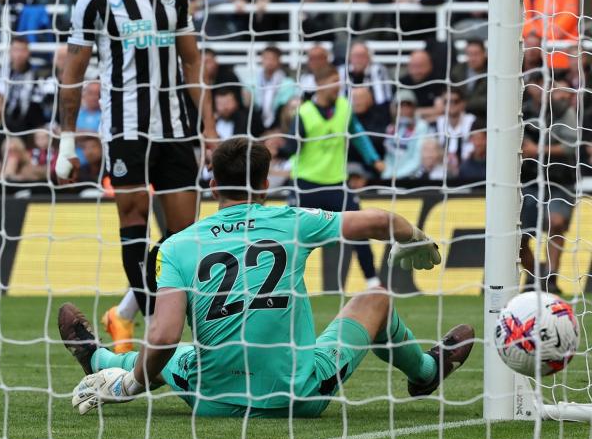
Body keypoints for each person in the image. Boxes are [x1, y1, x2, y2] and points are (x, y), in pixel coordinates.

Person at [59, 137, 474, 417]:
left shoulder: (177, 245)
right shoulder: (293, 220)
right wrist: (417, 238)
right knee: (376, 300)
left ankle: (98, 358)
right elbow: (381, 220)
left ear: (212, 183)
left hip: (211, 397)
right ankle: (424, 371)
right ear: (265, 183)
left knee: (177, 353)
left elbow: (164, 335)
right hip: (297, 395)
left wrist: (133, 386)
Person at [56, 0, 217, 353]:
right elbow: (72, 73)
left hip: (175, 128)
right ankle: (157, 331)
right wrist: (66, 142)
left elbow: (192, 60)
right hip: (125, 129)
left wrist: (209, 127)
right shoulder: (93, 0)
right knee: (133, 221)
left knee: (185, 237)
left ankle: (133, 313)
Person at [279, 67, 385, 290]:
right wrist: (273, 152)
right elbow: (291, 147)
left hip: (337, 183)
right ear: (320, 85)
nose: (338, 87)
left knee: (360, 229)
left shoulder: (345, 108)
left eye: (339, 82)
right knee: (293, 238)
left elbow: (358, 135)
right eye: (334, 82)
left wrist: (373, 159)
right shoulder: (304, 113)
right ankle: (282, 283)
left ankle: (373, 283)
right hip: (306, 184)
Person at [520, 84, 580, 295]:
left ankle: (552, 276)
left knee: (556, 221)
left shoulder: (564, 111)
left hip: (559, 180)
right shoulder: (521, 110)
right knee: (517, 236)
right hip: (529, 180)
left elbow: (571, 146)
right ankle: (536, 274)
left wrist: (538, 150)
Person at [382, 90, 431, 180]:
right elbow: (389, 157)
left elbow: (417, 159)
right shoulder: (391, 128)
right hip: (391, 177)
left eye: (408, 105)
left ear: (414, 107)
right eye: (400, 106)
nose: (404, 110)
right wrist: (387, 175)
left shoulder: (421, 126)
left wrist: (396, 175)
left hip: (413, 177)